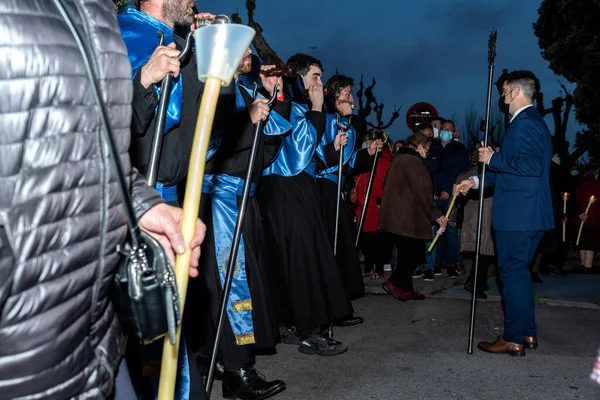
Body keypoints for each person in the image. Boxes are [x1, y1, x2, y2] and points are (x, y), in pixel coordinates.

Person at [0, 1, 205, 399]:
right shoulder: (125, 29)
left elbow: (90, 144)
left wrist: (139, 206)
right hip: (27, 309)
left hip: (92, 308)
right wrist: (144, 79)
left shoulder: (93, 14)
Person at [117, 2, 215, 397]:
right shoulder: (123, 31)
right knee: (132, 322)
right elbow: (96, 124)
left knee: (170, 319)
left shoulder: (183, 41)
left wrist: (209, 51)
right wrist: (142, 79)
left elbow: (207, 123)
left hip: (174, 193)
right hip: (131, 196)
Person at [189, 50, 290, 399]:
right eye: (243, 49)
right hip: (217, 199)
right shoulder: (211, 87)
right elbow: (202, 147)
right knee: (227, 283)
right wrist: (246, 118)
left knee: (232, 281)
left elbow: (262, 155)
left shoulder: (245, 89)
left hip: (243, 198)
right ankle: (236, 369)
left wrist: (274, 99)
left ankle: (214, 358)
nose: (252, 55)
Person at [258, 54, 351, 356]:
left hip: (296, 189)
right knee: (302, 259)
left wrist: (331, 147)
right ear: (297, 77)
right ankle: (311, 332)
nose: (319, 84)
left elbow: (314, 157)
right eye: (314, 76)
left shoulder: (298, 109)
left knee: (293, 258)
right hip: (286, 189)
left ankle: (289, 322)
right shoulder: (285, 107)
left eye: (321, 77)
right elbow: (296, 156)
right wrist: (316, 110)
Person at [457, 70, 554, 356]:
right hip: (529, 213)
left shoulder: (524, 124)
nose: (501, 97)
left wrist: (493, 157)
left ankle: (513, 337)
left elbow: (531, 167)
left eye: (504, 92)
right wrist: (474, 181)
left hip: (518, 215)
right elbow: (511, 173)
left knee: (511, 274)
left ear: (515, 92)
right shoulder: (533, 123)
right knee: (519, 274)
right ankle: (527, 332)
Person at [315, 74, 382, 318]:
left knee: (342, 243)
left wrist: (368, 152)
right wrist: (344, 118)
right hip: (322, 188)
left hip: (336, 188)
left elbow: (349, 161)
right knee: (333, 243)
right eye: (346, 93)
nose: (351, 98)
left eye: (352, 93)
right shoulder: (324, 119)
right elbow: (324, 154)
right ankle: (331, 303)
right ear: (333, 96)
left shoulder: (346, 123)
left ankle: (340, 297)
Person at [379, 133, 447, 301]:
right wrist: (435, 214)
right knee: (416, 254)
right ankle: (394, 282)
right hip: (409, 218)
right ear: (419, 147)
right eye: (426, 149)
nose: (427, 153)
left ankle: (406, 288)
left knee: (406, 253)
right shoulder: (414, 162)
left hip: (396, 216)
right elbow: (423, 192)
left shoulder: (398, 160)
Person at [354, 130, 393, 280]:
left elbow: (383, 182)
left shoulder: (383, 159)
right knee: (366, 237)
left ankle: (379, 267)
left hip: (375, 203)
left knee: (378, 238)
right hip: (362, 203)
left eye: (370, 140)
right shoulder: (364, 157)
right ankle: (368, 266)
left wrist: (380, 200)